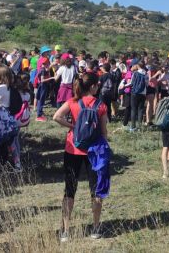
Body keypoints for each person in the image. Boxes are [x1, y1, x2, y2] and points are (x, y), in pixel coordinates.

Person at [53, 73, 110, 242]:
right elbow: (104, 131)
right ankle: (95, 228)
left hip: (73, 149)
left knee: (69, 189)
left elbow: (56, 116)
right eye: (97, 85)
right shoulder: (101, 106)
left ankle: (65, 230)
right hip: (94, 151)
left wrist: (73, 126)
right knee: (96, 189)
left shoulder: (72, 102)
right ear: (92, 87)